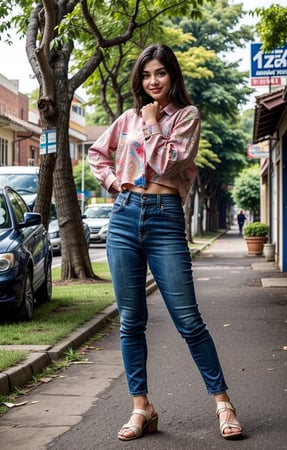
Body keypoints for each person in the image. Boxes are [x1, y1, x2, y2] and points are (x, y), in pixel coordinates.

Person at [88, 44, 243, 442]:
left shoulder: (186, 117)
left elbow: (169, 161)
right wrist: (113, 182)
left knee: (188, 320)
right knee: (130, 321)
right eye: (145, 75)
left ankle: (223, 402)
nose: (153, 81)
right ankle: (142, 408)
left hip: (165, 218)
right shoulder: (125, 119)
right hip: (123, 217)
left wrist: (154, 123)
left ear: (173, 75)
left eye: (160, 73)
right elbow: (96, 154)